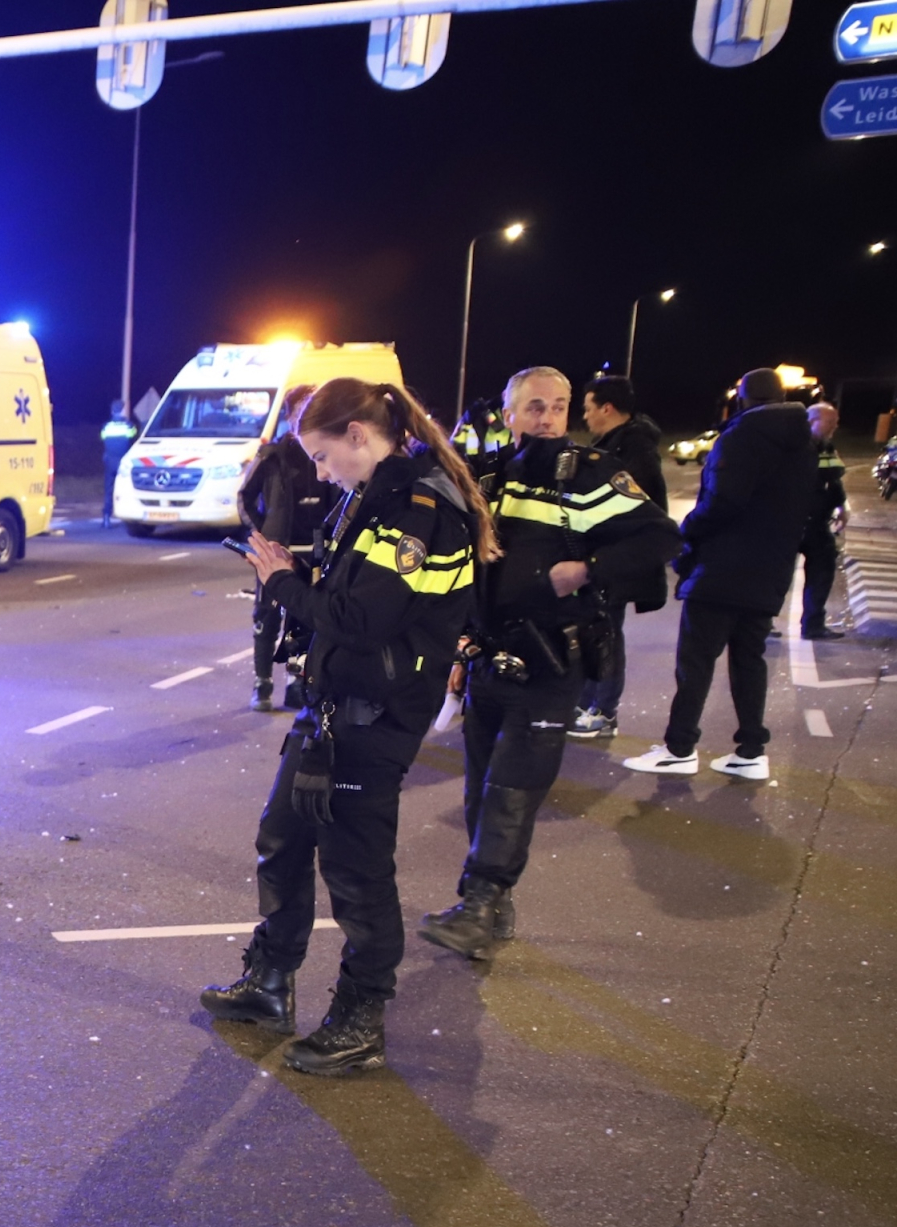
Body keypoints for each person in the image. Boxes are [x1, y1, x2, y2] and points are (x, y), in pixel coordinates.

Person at [201, 378, 490, 1076]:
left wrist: (281, 583)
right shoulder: (377, 495)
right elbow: (348, 596)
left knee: (358, 878)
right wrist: (300, 578)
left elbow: (365, 621)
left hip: (375, 718)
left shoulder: (418, 508)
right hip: (332, 709)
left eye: (325, 457)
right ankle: (270, 984)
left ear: (359, 434)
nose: (322, 474)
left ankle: (360, 1019)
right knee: (282, 839)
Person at [419, 368, 678, 963]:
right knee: (483, 790)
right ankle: (488, 906)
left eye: (559, 407)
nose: (548, 418)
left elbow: (659, 538)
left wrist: (586, 570)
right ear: (508, 415)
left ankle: (480, 903)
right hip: (488, 657)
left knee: (513, 788)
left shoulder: (588, 475)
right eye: (535, 407)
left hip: (551, 662)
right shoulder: (487, 477)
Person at [624, 369, 818, 781]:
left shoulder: (742, 435)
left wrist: (687, 532)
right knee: (749, 660)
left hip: (722, 569)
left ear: (743, 398)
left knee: (695, 662)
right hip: (769, 570)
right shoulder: (803, 444)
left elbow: (721, 503)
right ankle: (751, 750)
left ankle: (679, 747)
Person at [570, 374, 670, 739]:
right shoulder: (620, 443)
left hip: (615, 559)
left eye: (588, 408)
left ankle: (603, 711)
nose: (585, 417)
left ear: (607, 408)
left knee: (606, 633)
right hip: (607, 556)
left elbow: (636, 510)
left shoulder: (633, 450)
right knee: (596, 630)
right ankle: (587, 704)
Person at [234, 383, 328, 712]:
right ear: (290, 415)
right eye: (302, 409)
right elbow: (244, 496)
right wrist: (263, 533)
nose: (308, 416)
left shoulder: (326, 451)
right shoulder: (272, 455)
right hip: (277, 550)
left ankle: (295, 682)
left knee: (304, 618)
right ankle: (262, 684)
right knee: (268, 616)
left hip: (314, 549)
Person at [799, 402, 849, 640]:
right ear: (812, 421)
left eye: (836, 422)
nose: (834, 426)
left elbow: (834, 480)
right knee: (776, 577)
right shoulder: (794, 447)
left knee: (823, 570)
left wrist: (841, 506)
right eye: (830, 421)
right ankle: (762, 623)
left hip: (818, 522)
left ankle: (813, 625)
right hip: (792, 521)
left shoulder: (827, 447)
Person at [99, 401, 138, 525]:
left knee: (109, 490)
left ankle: (106, 518)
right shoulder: (128, 425)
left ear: (112, 411)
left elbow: (103, 437)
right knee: (127, 488)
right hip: (123, 461)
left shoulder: (106, 426)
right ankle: (128, 517)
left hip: (109, 460)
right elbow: (133, 435)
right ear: (122, 411)